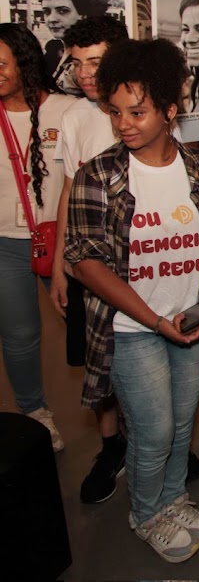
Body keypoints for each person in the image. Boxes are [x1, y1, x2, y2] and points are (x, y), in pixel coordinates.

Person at [65, 38, 199, 563]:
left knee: (182, 425)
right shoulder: (98, 175)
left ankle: (173, 499)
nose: (124, 124)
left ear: (169, 109)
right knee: (153, 430)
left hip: (191, 320)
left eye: (137, 112)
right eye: (115, 112)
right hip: (131, 328)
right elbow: (85, 262)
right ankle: (145, 514)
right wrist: (154, 320)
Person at [50, 16, 142, 504]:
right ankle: (113, 447)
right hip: (88, 263)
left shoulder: (144, 107)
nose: (85, 73)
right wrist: (59, 265)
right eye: (77, 62)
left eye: (96, 62)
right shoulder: (73, 117)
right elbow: (67, 191)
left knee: (149, 357)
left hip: (143, 262)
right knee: (98, 362)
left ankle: (157, 443)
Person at [0, 22, 75, 452]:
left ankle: (120, 414)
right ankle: (35, 413)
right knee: (19, 337)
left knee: (86, 329)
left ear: (25, 62)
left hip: (61, 241)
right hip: (6, 244)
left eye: (2, 63)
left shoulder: (67, 111)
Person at [40, 0, 90, 90]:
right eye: (47, 12)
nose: (51, 19)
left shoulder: (86, 60)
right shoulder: (59, 52)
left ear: (83, 15)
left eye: (62, 11)